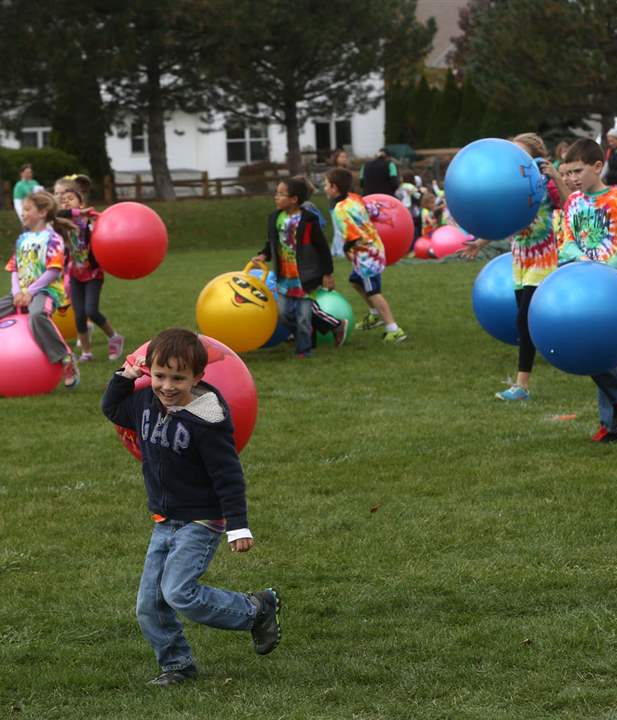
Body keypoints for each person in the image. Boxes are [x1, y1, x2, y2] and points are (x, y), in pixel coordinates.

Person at [100, 328, 282, 687]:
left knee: (179, 592)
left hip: (202, 518)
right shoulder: (144, 402)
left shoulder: (208, 420)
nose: (167, 386)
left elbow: (228, 475)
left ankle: (256, 610)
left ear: (198, 377)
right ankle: (177, 665)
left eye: (178, 378)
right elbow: (112, 408)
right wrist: (125, 376)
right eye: (160, 375)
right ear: (149, 370)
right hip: (164, 519)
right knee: (149, 605)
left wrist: (238, 525)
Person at [463, 133, 570, 400]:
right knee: (528, 320)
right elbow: (506, 221)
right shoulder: (511, 186)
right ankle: (562, 351)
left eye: (519, 153)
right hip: (520, 261)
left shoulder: (545, 183)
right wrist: (480, 242)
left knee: (523, 320)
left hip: (543, 259)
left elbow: (571, 204)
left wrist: (555, 176)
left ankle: (522, 387)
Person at [558, 138, 617, 442]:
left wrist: (607, 272)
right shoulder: (572, 203)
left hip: (610, 288)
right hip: (581, 282)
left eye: (577, 171)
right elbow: (567, 241)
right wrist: (580, 260)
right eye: (567, 172)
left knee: (597, 347)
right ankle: (612, 422)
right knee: (587, 345)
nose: (571, 178)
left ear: (597, 166)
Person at [0, 190, 80, 391]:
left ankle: (65, 358)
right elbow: (14, 268)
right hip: (19, 293)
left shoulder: (53, 239)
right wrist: (17, 292)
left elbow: (54, 271)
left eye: (28, 209)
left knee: (37, 315)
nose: (23, 213)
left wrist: (30, 291)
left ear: (43, 212)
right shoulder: (22, 239)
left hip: (46, 292)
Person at [251, 175, 344, 357]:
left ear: (294, 199)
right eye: (276, 193)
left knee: (303, 317)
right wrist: (264, 254)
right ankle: (312, 334)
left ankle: (304, 350)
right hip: (284, 277)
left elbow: (322, 248)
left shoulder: (309, 220)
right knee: (285, 315)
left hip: (306, 277)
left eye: (281, 194)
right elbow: (272, 242)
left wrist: (327, 274)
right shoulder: (275, 218)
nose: (276, 197)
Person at [325, 167, 407, 343]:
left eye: (326, 184)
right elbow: (374, 210)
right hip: (375, 249)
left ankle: (394, 329)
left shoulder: (340, 209)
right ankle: (375, 314)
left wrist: (346, 249)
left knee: (373, 291)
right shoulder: (355, 198)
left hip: (366, 257)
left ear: (334, 187)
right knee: (355, 281)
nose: (324, 188)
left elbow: (353, 237)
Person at [53, 174, 125, 362]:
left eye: (70, 199)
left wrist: (87, 216)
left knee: (91, 311)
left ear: (81, 201)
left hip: (93, 274)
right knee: (79, 314)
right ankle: (86, 352)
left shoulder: (91, 222)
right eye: (63, 200)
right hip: (75, 274)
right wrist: (77, 213)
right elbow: (57, 215)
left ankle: (115, 337)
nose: (66, 202)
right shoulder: (63, 223)